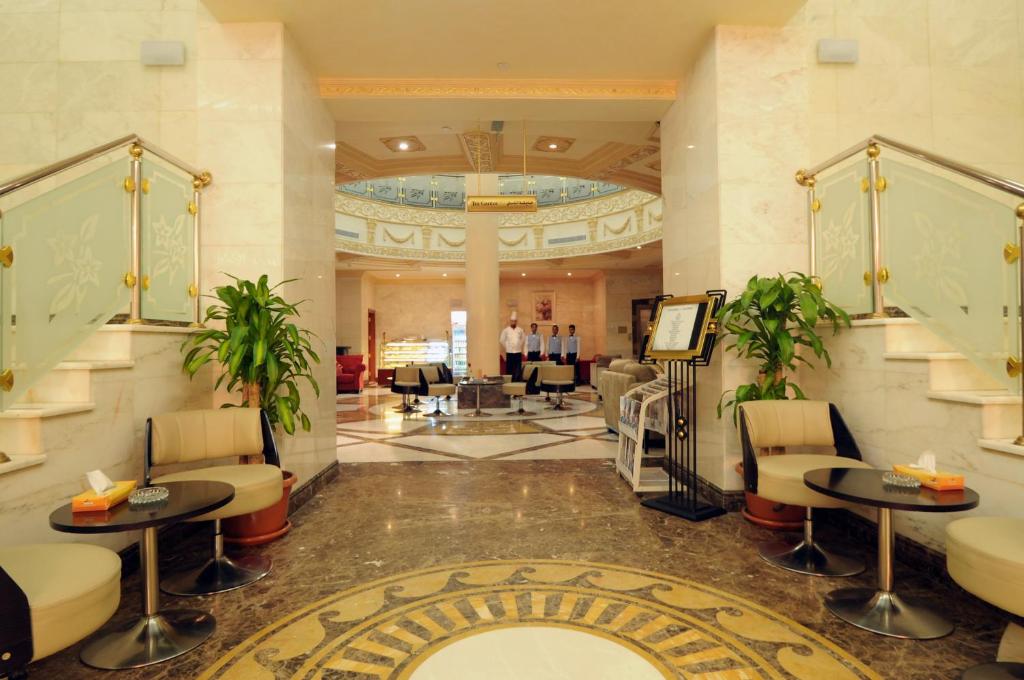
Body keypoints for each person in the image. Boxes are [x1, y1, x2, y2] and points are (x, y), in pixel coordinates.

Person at [499, 312, 525, 381]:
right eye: (512, 321)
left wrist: (518, 345)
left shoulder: (520, 330)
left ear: (516, 322)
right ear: (510, 321)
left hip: (518, 352)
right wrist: (507, 347)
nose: (513, 322)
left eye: (515, 321)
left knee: (518, 368)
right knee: (510, 368)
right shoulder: (506, 330)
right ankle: (509, 382)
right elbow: (501, 340)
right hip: (509, 352)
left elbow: (523, 339)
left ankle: (517, 382)